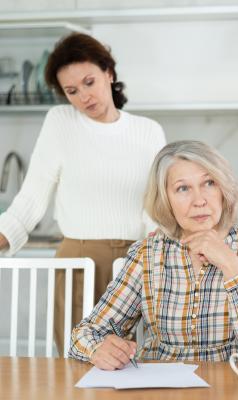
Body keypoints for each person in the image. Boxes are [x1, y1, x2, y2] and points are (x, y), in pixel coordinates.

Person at [0, 33, 166, 355]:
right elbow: (32, 198)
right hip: (78, 262)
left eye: (89, 82)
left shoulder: (148, 131)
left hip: (138, 264)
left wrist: (160, 251)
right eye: (71, 91)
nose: (84, 97)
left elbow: (155, 206)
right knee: (77, 366)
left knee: (135, 364)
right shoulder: (60, 122)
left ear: (109, 73)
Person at [69, 140, 238, 370]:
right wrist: (98, 349)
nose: (199, 200)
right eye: (183, 188)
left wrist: (230, 264)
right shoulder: (147, 254)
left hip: (231, 385)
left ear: (224, 189)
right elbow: (85, 334)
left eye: (209, 183)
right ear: (165, 200)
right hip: (159, 388)